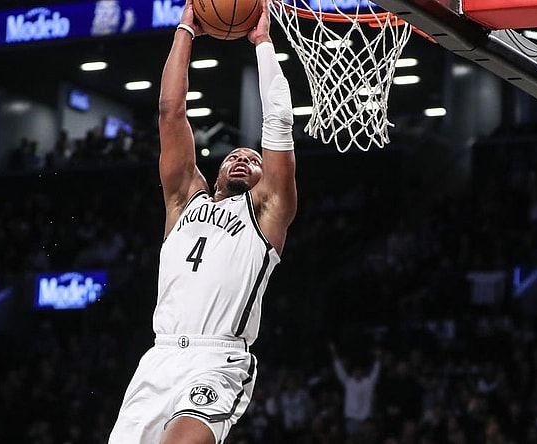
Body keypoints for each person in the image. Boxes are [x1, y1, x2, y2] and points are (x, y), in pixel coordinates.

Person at [107, 0, 297, 441]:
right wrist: (184, 31)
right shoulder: (182, 202)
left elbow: (280, 122)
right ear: (213, 172)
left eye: (253, 159)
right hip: (159, 359)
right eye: (235, 154)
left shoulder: (268, 212)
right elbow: (171, 112)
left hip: (217, 359)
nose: (244, 158)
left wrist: (264, 44)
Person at [328, 342, 381, 437]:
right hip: (352, 420)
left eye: (359, 370)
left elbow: (376, 370)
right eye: (355, 371)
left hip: (366, 421)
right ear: (352, 372)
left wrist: (378, 357)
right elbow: (339, 368)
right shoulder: (348, 382)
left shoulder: (368, 382)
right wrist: (334, 352)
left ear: (362, 372)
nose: (357, 372)